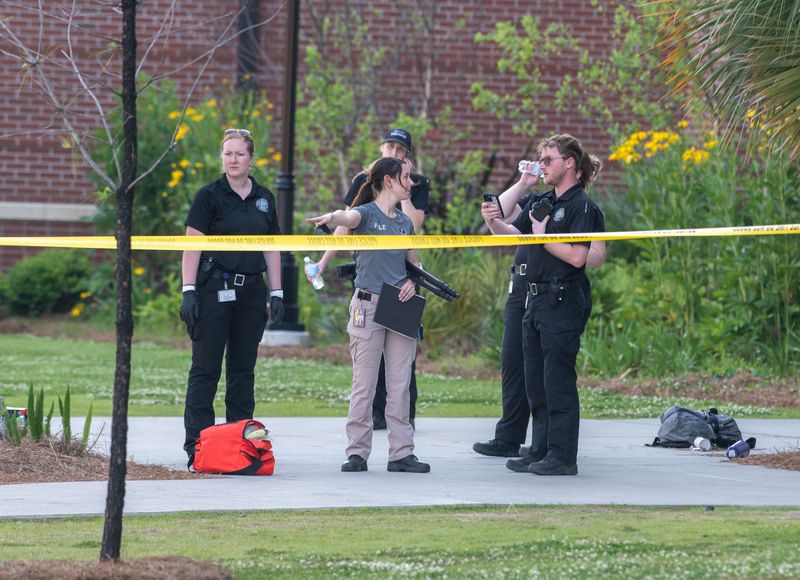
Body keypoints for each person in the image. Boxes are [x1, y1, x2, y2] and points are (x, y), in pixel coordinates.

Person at [481, 134, 602, 476]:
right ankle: (540, 449)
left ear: (570, 163)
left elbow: (579, 257)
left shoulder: (583, 207)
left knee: (557, 380)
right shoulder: (541, 202)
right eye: (541, 159)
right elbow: (511, 235)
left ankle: (562, 456)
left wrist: (543, 237)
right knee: (535, 380)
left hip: (562, 298)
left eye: (548, 160)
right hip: (533, 298)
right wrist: (492, 220)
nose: (543, 166)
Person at [306, 156, 430, 473]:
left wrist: (411, 284)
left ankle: (402, 453)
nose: (412, 183)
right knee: (365, 383)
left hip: (400, 305)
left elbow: (415, 266)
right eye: (406, 177)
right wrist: (330, 217)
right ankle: (357, 452)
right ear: (389, 181)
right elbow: (345, 218)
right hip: (368, 304)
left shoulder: (405, 223)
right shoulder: (366, 214)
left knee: (400, 384)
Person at [179, 128, 283, 465]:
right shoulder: (208, 195)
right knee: (205, 369)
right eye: (227, 154)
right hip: (213, 289)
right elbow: (192, 245)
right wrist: (189, 290)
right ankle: (199, 445)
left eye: (239, 154)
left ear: (251, 159)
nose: (233, 160)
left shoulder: (265, 198)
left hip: (252, 292)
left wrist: (277, 292)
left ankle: (240, 445)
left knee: (243, 370)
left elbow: (272, 248)